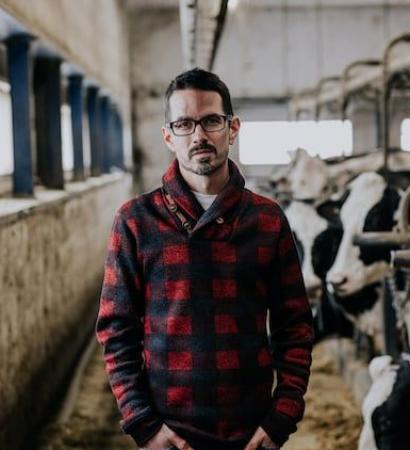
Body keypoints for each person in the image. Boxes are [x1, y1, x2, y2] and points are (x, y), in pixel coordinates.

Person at [96, 68, 314, 450]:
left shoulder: (267, 219)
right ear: (168, 136)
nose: (198, 135)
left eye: (211, 120)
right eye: (183, 124)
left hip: (252, 432)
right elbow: (117, 332)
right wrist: (143, 424)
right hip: (169, 431)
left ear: (233, 128)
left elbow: (294, 326)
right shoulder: (135, 221)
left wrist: (283, 415)